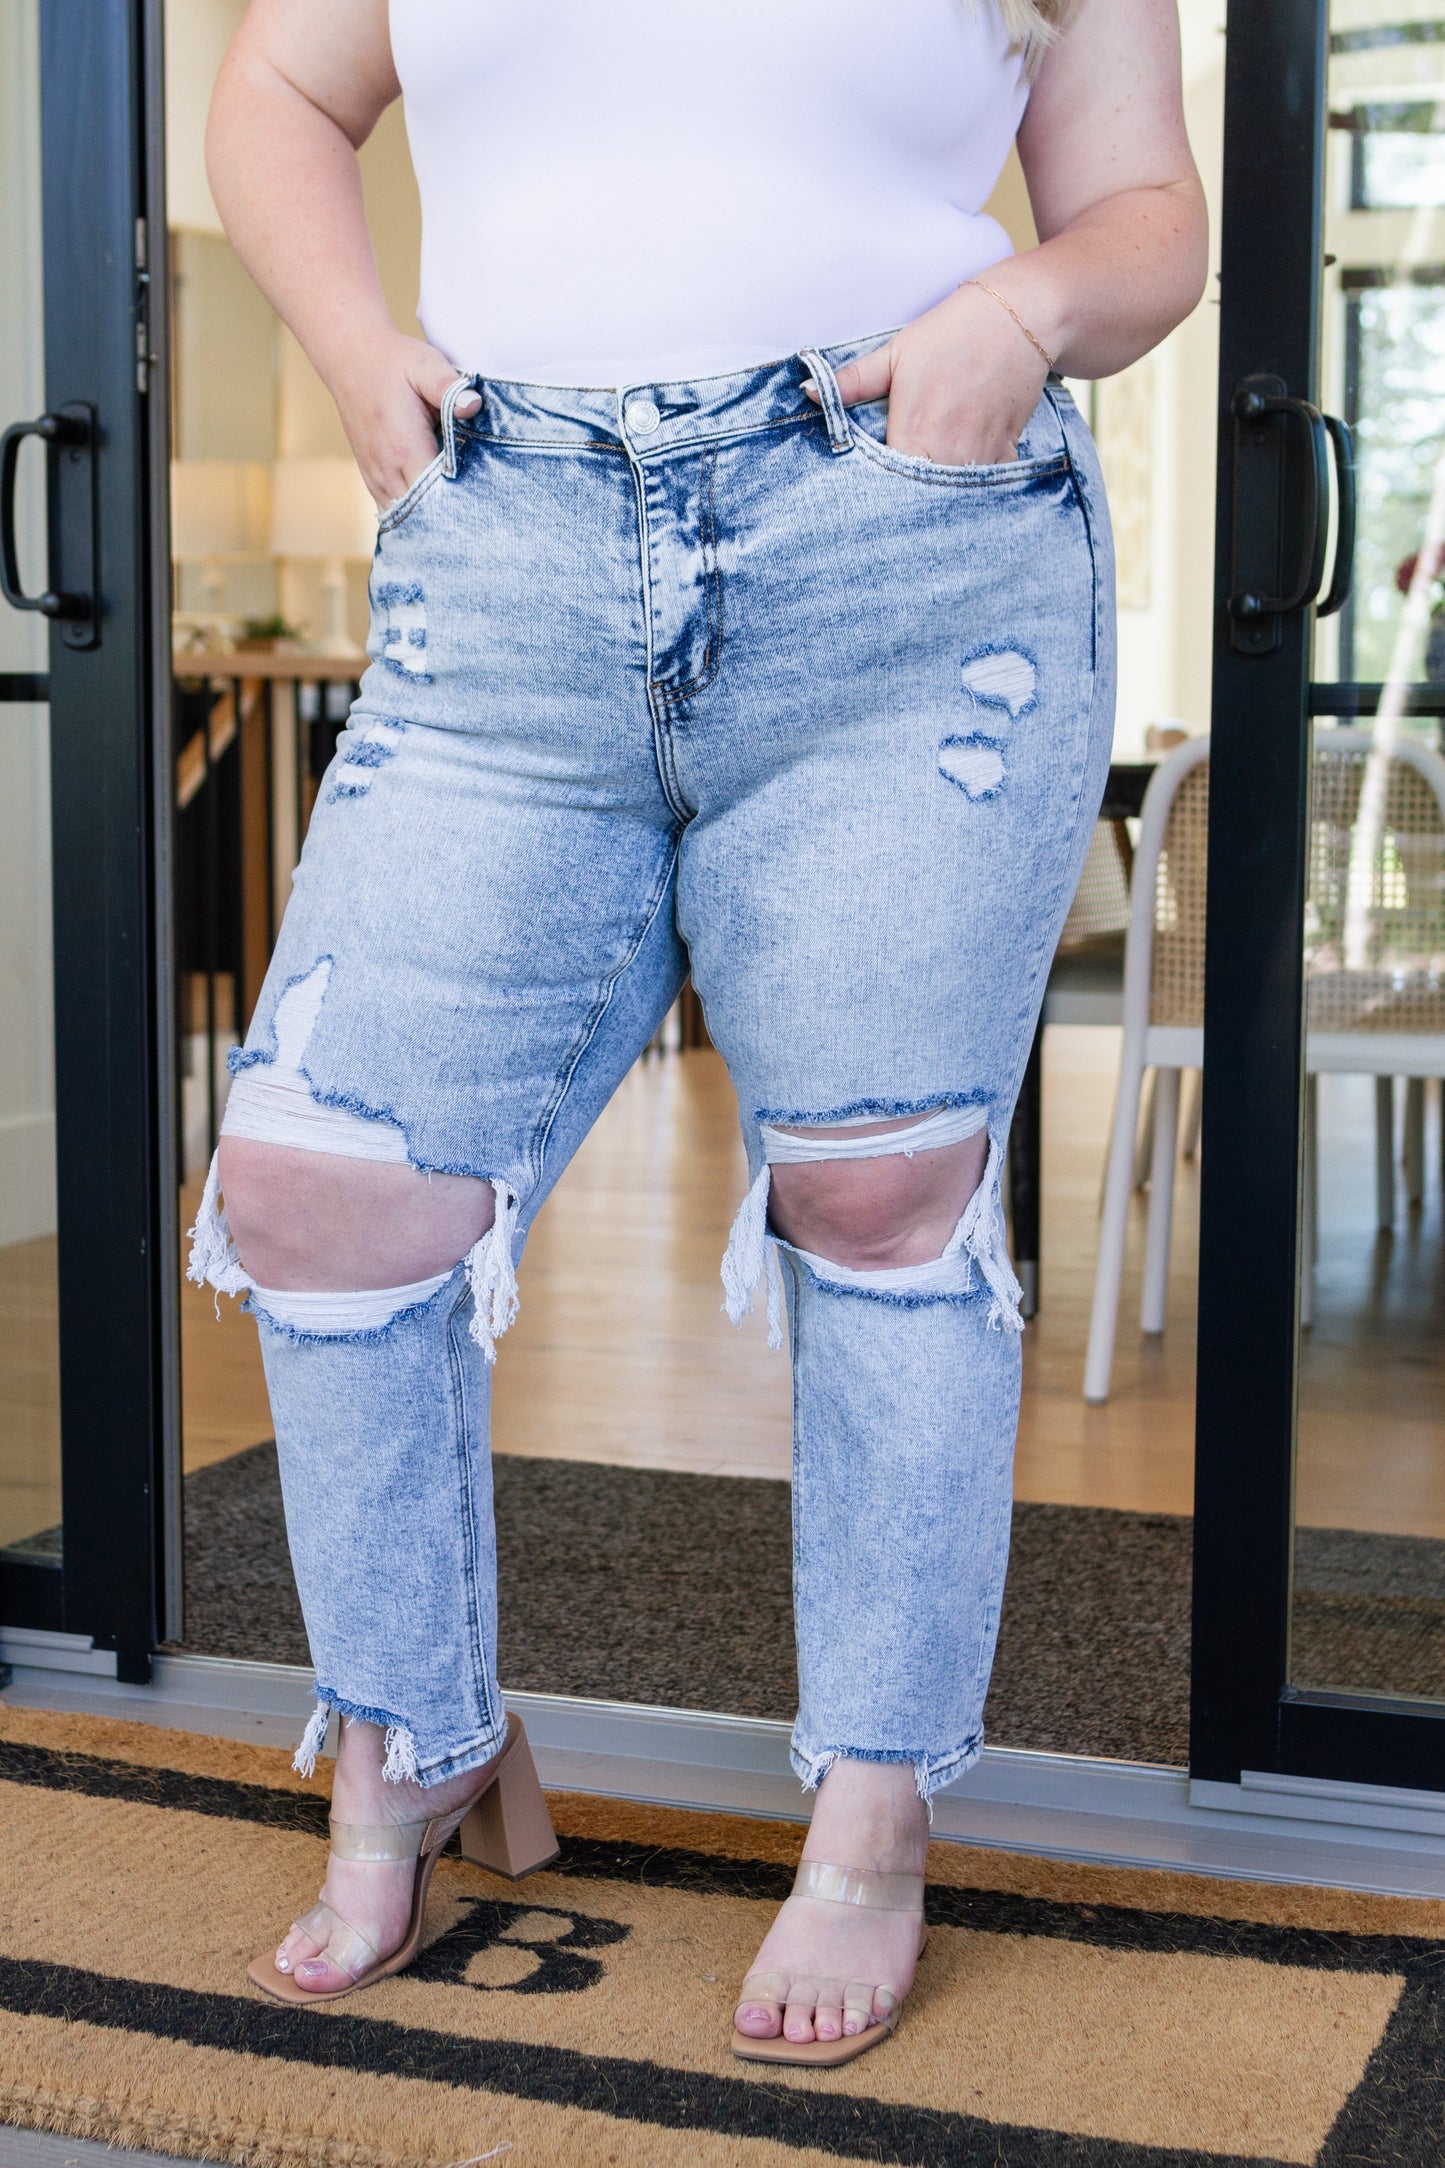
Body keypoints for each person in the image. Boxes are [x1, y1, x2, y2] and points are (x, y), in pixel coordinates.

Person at [198, 0, 1205, 2064]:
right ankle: (415, 1732)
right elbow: (279, 87)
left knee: (878, 1189)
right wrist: (353, 344)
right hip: (505, 551)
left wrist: (1019, 313)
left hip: (900, 548)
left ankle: (871, 1805)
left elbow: (1148, 220)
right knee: (319, 1187)